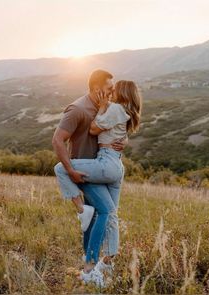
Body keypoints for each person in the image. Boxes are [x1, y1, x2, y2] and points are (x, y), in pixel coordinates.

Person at [52, 70, 142, 287]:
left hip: (105, 165)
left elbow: (116, 125)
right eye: (109, 88)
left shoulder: (108, 106)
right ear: (96, 89)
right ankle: (91, 266)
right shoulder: (78, 109)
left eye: (114, 89)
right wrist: (71, 171)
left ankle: (95, 266)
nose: (112, 92)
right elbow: (57, 140)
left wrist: (124, 141)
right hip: (88, 169)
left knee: (103, 215)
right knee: (103, 213)